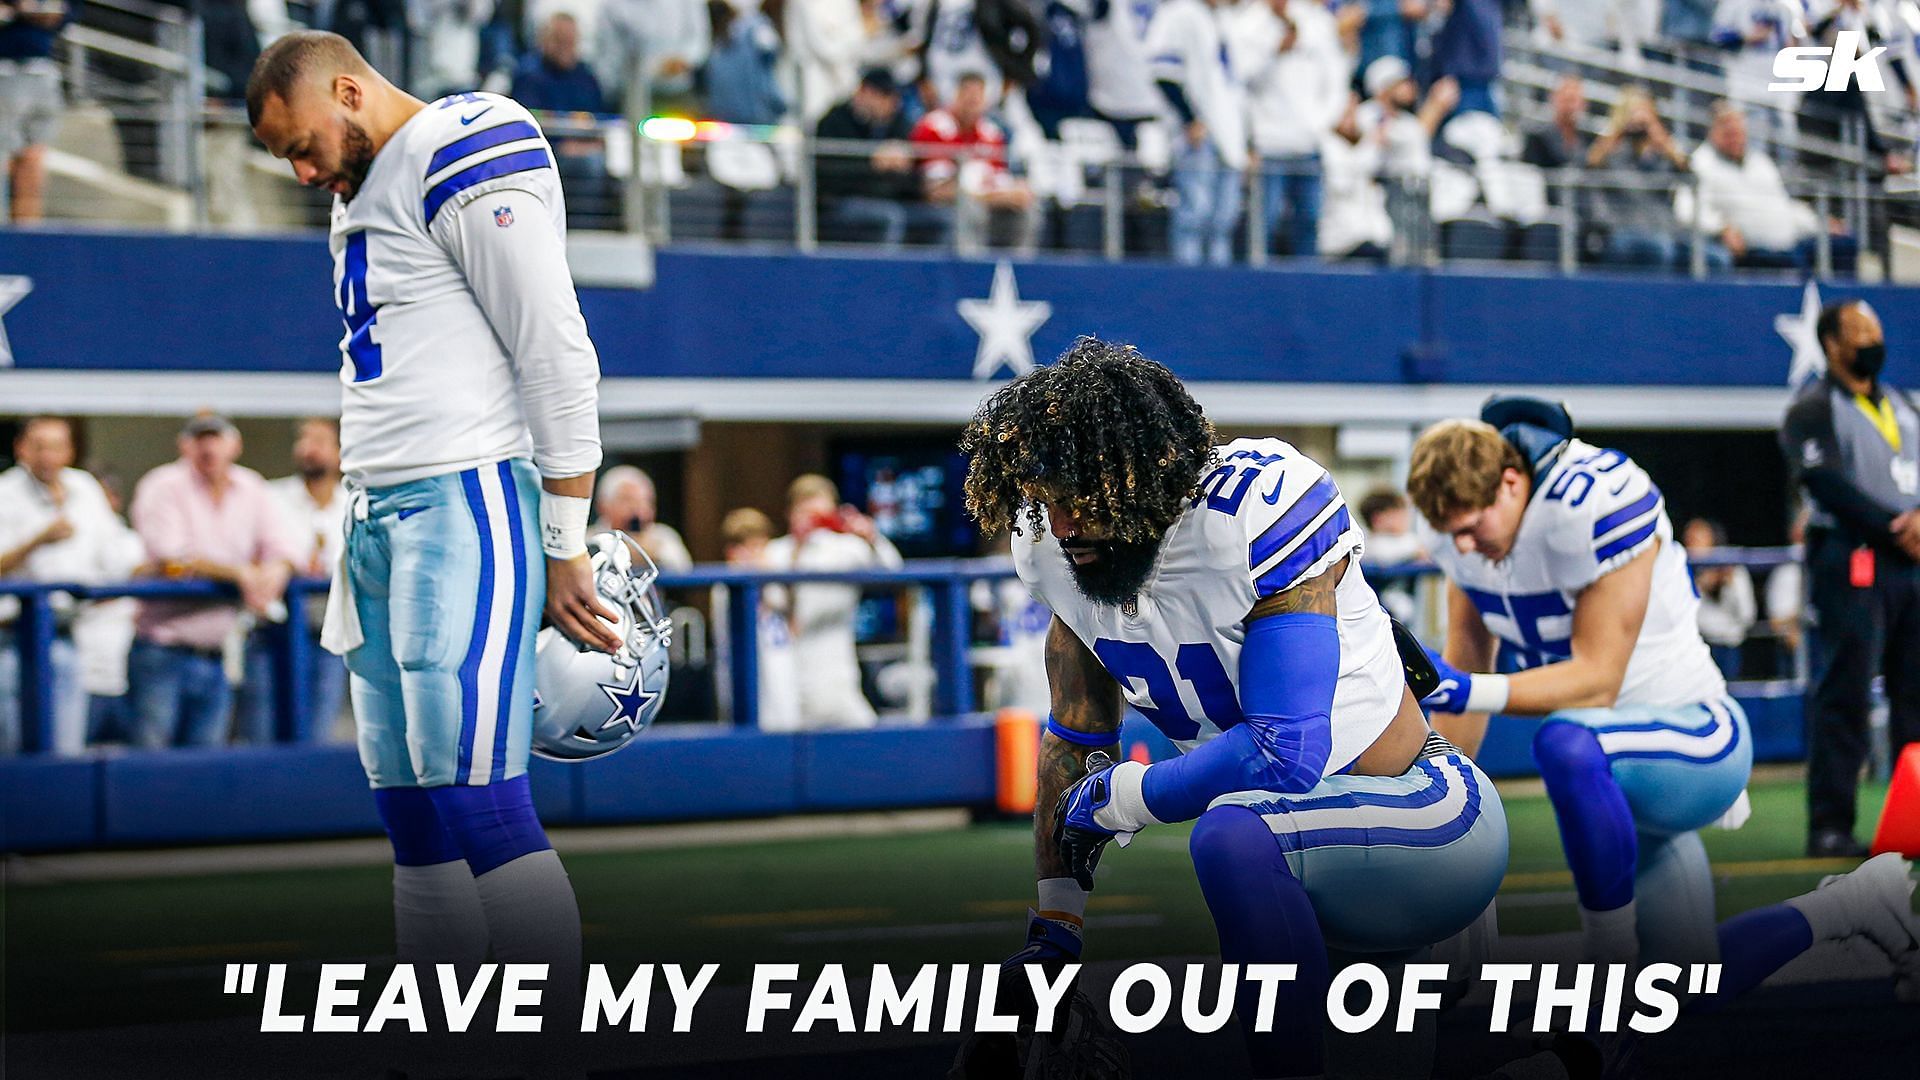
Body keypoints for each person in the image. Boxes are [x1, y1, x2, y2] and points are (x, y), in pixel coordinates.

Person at [958, 339, 1508, 1077]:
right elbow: (1072, 735)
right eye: (1048, 500)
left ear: (1148, 468)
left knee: (1229, 835)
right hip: (1310, 861)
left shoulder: (1250, 508)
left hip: (1421, 817)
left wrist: (1128, 798)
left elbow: (1288, 751)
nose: (1063, 525)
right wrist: (1055, 927)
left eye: (1082, 497)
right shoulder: (1055, 557)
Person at [247, 30, 617, 999]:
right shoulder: (361, 189)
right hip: (375, 514)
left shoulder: (465, 139)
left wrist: (566, 539)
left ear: (346, 88)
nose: (298, 170)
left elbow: (555, 348)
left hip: (466, 499)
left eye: (302, 142)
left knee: (481, 803)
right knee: (411, 815)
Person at [1409, 401, 1919, 987]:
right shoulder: (1455, 530)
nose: (1465, 546)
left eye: (1473, 526)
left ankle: (1609, 958)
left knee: (1566, 743)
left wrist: (1467, 688)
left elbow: (1596, 681)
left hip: (1695, 736)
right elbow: (1467, 664)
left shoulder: (1594, 497)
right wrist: (1444, 803)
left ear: (1511, 480)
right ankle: (1854, 907)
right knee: (1682, 987)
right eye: (1453, 534)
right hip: (1614, 775)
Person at [1781, 298, 1920, 857]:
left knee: (1916, 694)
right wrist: (1897, 526)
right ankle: (1830, 825)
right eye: (1860, 331)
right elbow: (1824, 481)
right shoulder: (1812, 408)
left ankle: (1911, 820)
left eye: (1876, 329)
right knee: (1846, 689)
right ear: (1833, 344)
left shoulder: (1904, 404)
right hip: (1851, 556)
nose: (1872, 339)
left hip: (1911, 562)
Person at [128, 414, 300, 749]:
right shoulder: (163, 484)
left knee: (205, 764)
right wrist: (239, 572)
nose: (209, 447)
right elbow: (170, 555)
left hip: (217, 651)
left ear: (234, 445)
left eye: (216, 438)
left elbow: (288, 544)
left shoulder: (251, 486)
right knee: (151, 762)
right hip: (162, 650)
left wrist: (277, 568)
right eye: (200, 439)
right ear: (185, 446)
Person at [0, 417, 131, 754]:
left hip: (68, 635)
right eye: (39, 446)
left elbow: (114, 558)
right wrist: (37, 540)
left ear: (70, 451)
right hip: (12, 640)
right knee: (15, 752)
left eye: (56, 446)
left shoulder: (85, 488)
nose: (48, 456)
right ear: (21, 449)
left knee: (67, 752)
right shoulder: (6, 492)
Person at [237, 417, 352, 744]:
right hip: (271, 634)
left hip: (328, 637)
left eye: (318, 441)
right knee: (261, 738)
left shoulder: (354, 502)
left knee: (314, 739)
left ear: (340, 453)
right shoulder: (271, 496)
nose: (307, 449)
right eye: (302, 440)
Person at [762, 473, 900, 728]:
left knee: (867, 745)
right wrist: (798, 549)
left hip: (834, 678)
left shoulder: (847, 549)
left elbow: (895, 574)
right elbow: (771, 601)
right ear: (790, 513)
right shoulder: (775, 552)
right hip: (782, 680)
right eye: (805, 512)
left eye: (819, 515)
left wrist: (871, 537)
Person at [1678, 103, 1858, 274]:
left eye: (1738, 130)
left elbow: (1783, 206)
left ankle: (1844, 303)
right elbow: (1686, 210)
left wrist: (1819, 223)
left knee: (1845, 244)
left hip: (1789, 242)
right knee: (1793, 264)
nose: (1735, 136)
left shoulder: (1760, 162)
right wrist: (1721, 228)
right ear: (1713, 132)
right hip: (1751, 249)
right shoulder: (1700, 164)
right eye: (1727, 131)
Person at [1231, 0, 1348, 259]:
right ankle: (1259, 286)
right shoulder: (1246, 24)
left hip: (1309, 144)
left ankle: (1309, 288)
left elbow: (1337, 76)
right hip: (1269, 143)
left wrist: (1320, 123)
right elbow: (1238, 79)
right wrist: (1273, 51)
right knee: (1265, 224)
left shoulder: (1317, 22)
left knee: (1310, 221)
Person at [1147, 0, 1248, 266]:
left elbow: (1233, 87)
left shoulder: (1224, 19)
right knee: (1194, 214)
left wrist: (1248, 140)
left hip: (1227, 131)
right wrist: (1189, 119)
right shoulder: (1179, 13)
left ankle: (1218, 287)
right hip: (1200, 132)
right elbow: (1163, 72)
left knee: (1223, 220)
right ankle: (1189, 281)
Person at [910, 71, 1039, 255]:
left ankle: (1021, 269)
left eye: (977, 99)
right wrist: (991, 197)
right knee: (970, 208)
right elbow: (938, 191)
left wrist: (1014, 192)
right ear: (956, 96)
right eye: (968, 97)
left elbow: (997, 180)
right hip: (943, 204)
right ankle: (972, 270)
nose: (972, 105)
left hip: (987, 201)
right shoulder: (933, 127)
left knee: (1027, 208)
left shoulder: (991, 133)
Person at [814, 67, 943, 247]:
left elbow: (912, 174)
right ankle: (887, 274)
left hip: (890, 198)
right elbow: (828, 175)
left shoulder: (898, 123)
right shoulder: (834, 122)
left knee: (940, 219)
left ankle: (933, 276)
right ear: (863, 92)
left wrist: (904, 167)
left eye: (893, 96)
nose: (891, 103)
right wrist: (871, 163)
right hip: (840, 202)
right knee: (889, 217)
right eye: (884, 95)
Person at [717, 507, 801, 731]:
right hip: (749, 691)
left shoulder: (776, 580)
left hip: (784, 682)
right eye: (752, 547)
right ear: (733, 552)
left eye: (762, 546)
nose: (760, 554)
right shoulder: (726, 587)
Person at [0, 0, 70, 222]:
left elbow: (61, 15)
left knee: (34, 153)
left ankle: (27, 227)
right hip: (6, 70)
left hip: (41, 70)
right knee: (4, 152)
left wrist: (26, 10)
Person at [1684, 517, 1756, 679]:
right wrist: (1700, 586)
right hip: (1694, 647)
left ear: (1712, 539)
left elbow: (1747, 616)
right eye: (1689, 539)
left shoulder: (1731, 566)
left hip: (1727, 647)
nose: (1692, 543)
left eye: (1697, 538)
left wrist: (1728, 585)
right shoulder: (1681, 568)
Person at [592, 464, 692, 571]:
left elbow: (683, 570)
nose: (638, 510)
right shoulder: (588, 539)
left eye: (645, 502)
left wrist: (654, 553)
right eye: (628, 501)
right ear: (603, 506)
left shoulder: (664, 537)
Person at [510, 11, 607, 113]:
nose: (565, 48)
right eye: (559, 40)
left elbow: (597, 119)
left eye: (570, 41)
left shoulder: (586, 79)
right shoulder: (528, 76)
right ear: (543, 40)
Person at [1358, 488, 1422, 624]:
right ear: (1378, 519)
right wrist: (1416, 552)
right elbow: (1382, 552)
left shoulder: (1406, 540)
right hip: (1375, 613)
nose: (1406, 519)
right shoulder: (1367, 543)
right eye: (1399, 514)